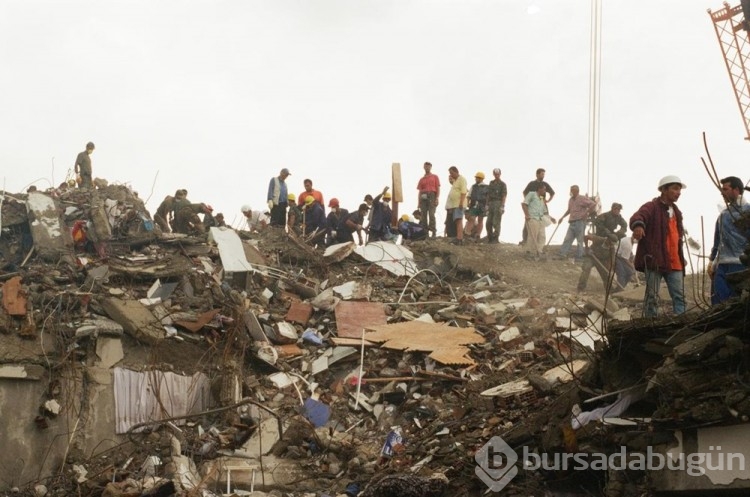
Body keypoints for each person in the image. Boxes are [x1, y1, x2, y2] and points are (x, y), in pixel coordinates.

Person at [630, 175, 687, 317]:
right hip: (655, 260)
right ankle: (650, 325)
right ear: (663, 190)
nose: (678, 192)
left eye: (679, 190)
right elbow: (638, 216)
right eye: (675, 189)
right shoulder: (652, 206)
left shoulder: (677, 212)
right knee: (652, 297)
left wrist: (682, 256)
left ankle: (682, 326)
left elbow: (676, 238)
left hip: (675, 262)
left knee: (679, 296)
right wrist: (638, 226)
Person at [707, 176, 750, 304]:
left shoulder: (748, 213)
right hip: (723, 263)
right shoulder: (723, 215)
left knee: (735, 302)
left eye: (725, 189)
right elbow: (717, 240)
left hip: (741, 264)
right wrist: (712, 261)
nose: (722, 193)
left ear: (736, 190)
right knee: (718, 299)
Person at [557, 185, 597, 260]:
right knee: (567, 238)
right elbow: (569, 210)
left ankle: (579, 256)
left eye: (572, 190)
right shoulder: (570, 200)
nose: (571, 192)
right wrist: (562, 217)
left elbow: (593, 204)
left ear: (577, 191)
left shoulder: (582, 198)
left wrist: (587, 213)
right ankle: (563, 254)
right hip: (572, 221)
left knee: (579, 240)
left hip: (580, 222)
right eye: (570, 190)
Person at [522, 184, 555, 261]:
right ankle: (528, 252)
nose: (545, 191)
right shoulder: (531, 194)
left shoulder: (541, 198)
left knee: (542, 236)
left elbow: (544, 211)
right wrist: (527, 215)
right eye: (544, 189)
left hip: (541, 219)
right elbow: (524, 204)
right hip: (532, 218)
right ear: (539, 189)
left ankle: (539, 251)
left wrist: (551, 218)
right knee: (533, 235)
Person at [416, 161, 440, 238]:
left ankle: (433, 232)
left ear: (430, 167)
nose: (427, 167)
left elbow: (437, 188)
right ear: (424, 167)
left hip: (432, 195)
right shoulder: (422, 179)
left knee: (431, 214)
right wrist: (418, 202)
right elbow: (419, 191)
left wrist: (437, 198)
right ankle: (425, 233)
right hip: (423, 196)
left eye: (428, 166)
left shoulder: (435, 177)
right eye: (425, 166)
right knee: (423, 216)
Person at [445, 166, 468, 245]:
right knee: (457, 221)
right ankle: (458, 237)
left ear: (456, 172)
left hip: (459, 204)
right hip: (454, 205)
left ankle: (459, 238)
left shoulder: (462, 179)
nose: (451, 175)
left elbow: (464, 192)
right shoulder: (455, 181)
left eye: (451, 173)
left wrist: (461, 202)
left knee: (459, 220)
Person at [485, 168, 507, 244]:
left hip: (498, 203)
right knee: (488, 222)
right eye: (495, 174)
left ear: (500, 174)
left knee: (496, 222)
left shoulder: (503, 184)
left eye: (498, 174)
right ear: (493, 174)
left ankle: (495, 238)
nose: (496, 175)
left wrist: (502, 206)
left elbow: (504, 195)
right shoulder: (491, 183)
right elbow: (488, 194)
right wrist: (487, 205)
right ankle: (490, 237)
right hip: (491, 203)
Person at [464, 172, 489, 240]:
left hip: (482, 205)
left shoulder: (486, 187)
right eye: (476, 178)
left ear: (481, 178)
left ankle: (478, 235)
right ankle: (467, 233)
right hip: (473, 204)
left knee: (480, 220)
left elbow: (488, 197)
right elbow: (469, 195)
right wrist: (468, 203)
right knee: (471, 219)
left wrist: (487, 205)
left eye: (477, 178)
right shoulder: (473, 186)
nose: (476, 179)